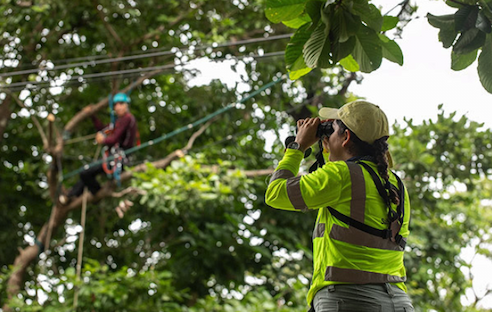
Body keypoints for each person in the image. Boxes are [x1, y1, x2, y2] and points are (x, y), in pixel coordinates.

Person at [265, 100, 413, 312]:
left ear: (346, 137)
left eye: (332, 130)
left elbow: (275, 193)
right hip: (398, 301)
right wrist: (330, 144)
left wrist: (297, 146)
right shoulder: (395, 183)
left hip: (349, 299)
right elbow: (343, 182)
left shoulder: (342, 176)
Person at [59, 93, 138, 205]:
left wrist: (103, 140)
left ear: (126, 105)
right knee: (87, 172)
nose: (118, 107)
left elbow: (114, 139)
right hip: (113, 158)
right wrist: (93, 116)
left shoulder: (127, 119)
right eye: (116, 105)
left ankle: (95, 191)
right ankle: (71, 195)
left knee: (85, 172)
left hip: (119, 159)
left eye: (121, 104)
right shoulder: (118, 122)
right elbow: (103, 129)